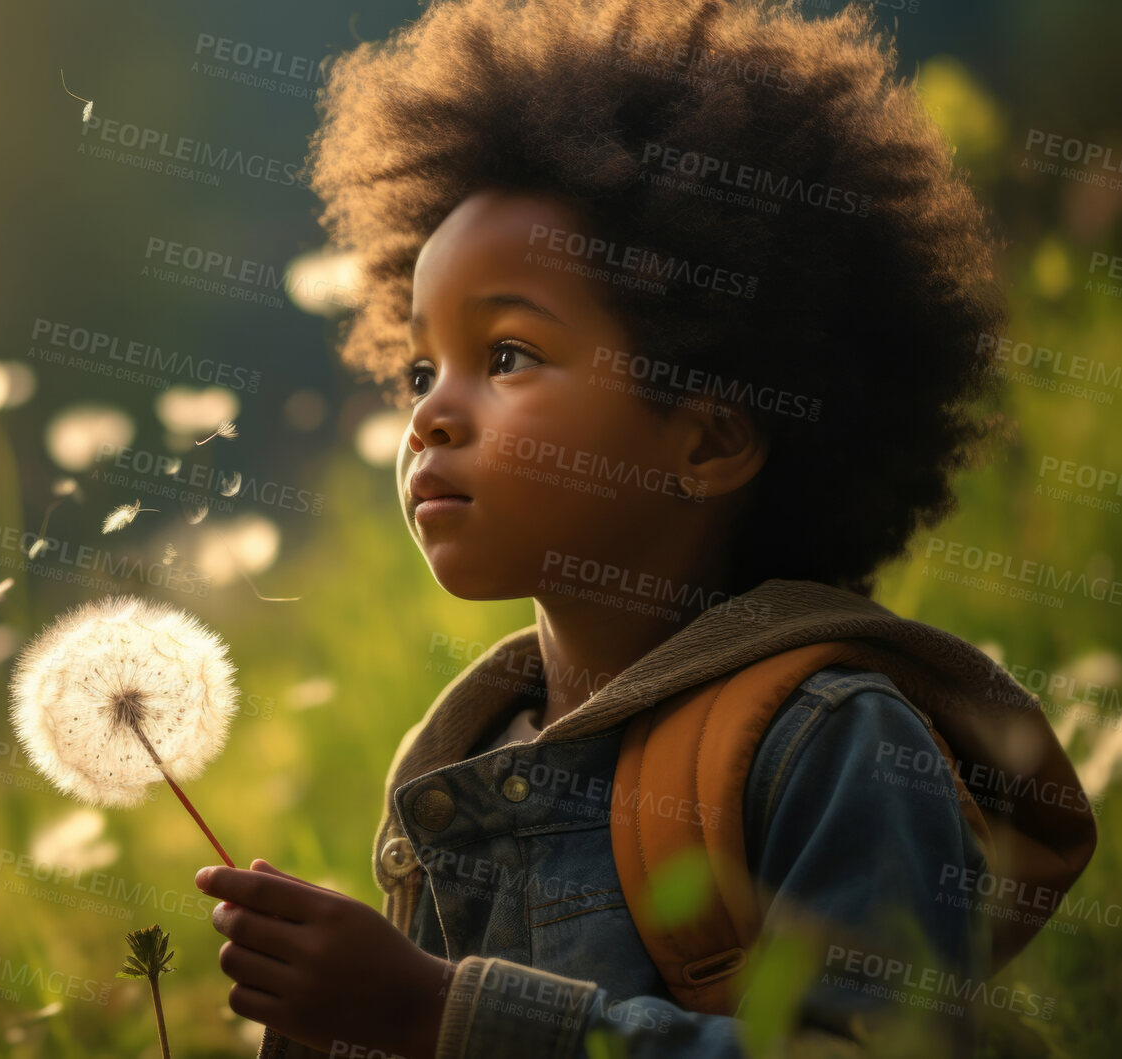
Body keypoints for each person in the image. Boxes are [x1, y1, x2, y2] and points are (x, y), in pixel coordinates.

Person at [193, 1, 1097, 1055]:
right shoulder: (454, 763)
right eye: (416, 368)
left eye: (508, 355)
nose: (428, 413)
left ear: (706, 442)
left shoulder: (835, 742)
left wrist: (430, 1010)